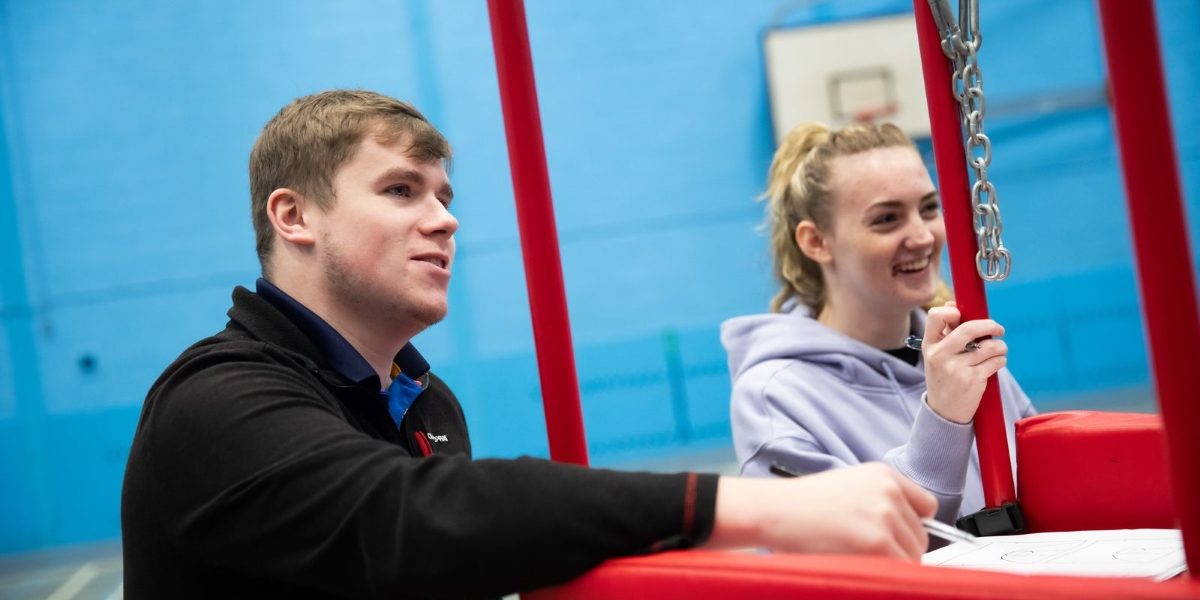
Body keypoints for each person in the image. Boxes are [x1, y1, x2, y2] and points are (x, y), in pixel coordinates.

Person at [122, 91, 938, 600]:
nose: (444, 220)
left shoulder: (426, 402)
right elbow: (410, 520)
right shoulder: (217, 401)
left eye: (445, 196)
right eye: (401, 192)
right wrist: (761, 508)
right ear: (293, 217)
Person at [722, 122, 1036, 526]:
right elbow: (846, 556)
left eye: (928, 208)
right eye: (887, 219)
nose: (922, 236)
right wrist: (943, 420)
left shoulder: (961, 352)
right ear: (816, 242)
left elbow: (1045, 483)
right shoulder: (775, 398)